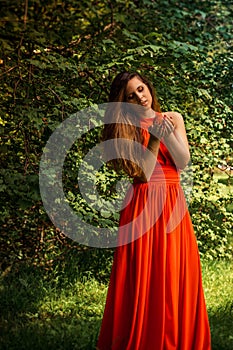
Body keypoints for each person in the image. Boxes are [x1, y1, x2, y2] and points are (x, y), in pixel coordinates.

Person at [96, 71, 211, 349]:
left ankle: (175, 339)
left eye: (141, 89)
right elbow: (143, 174)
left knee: (172, 270)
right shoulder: (123, 129)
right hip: (143, 204)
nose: (140, 97)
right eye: (131, 96)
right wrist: (155, 139)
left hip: (172, 202)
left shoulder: (173, 118)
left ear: (149, 88)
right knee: (144, 276)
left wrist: (164, 130)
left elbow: (182, 162)